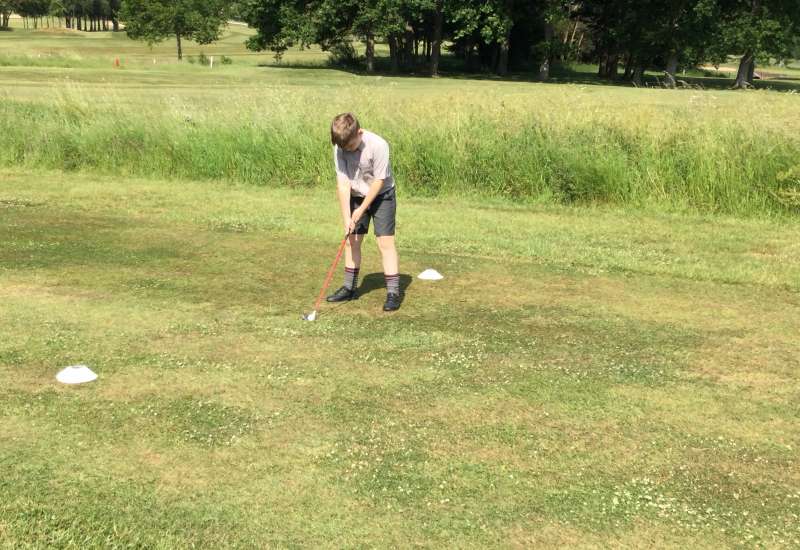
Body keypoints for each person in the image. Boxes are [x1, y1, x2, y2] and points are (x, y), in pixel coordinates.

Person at [326, 113, 401, 312]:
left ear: (359, 132)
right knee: (353, 240)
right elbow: (342, 184)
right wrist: (347, 218)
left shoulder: (378, 145)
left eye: (350, 146)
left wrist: (361, 210)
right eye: (344, 148)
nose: (347, 151)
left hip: (381, 194)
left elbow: (379, 181)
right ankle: (349, 288)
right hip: (355, 193)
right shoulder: (339, 147)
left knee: (385, 242)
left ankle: (393, 292)